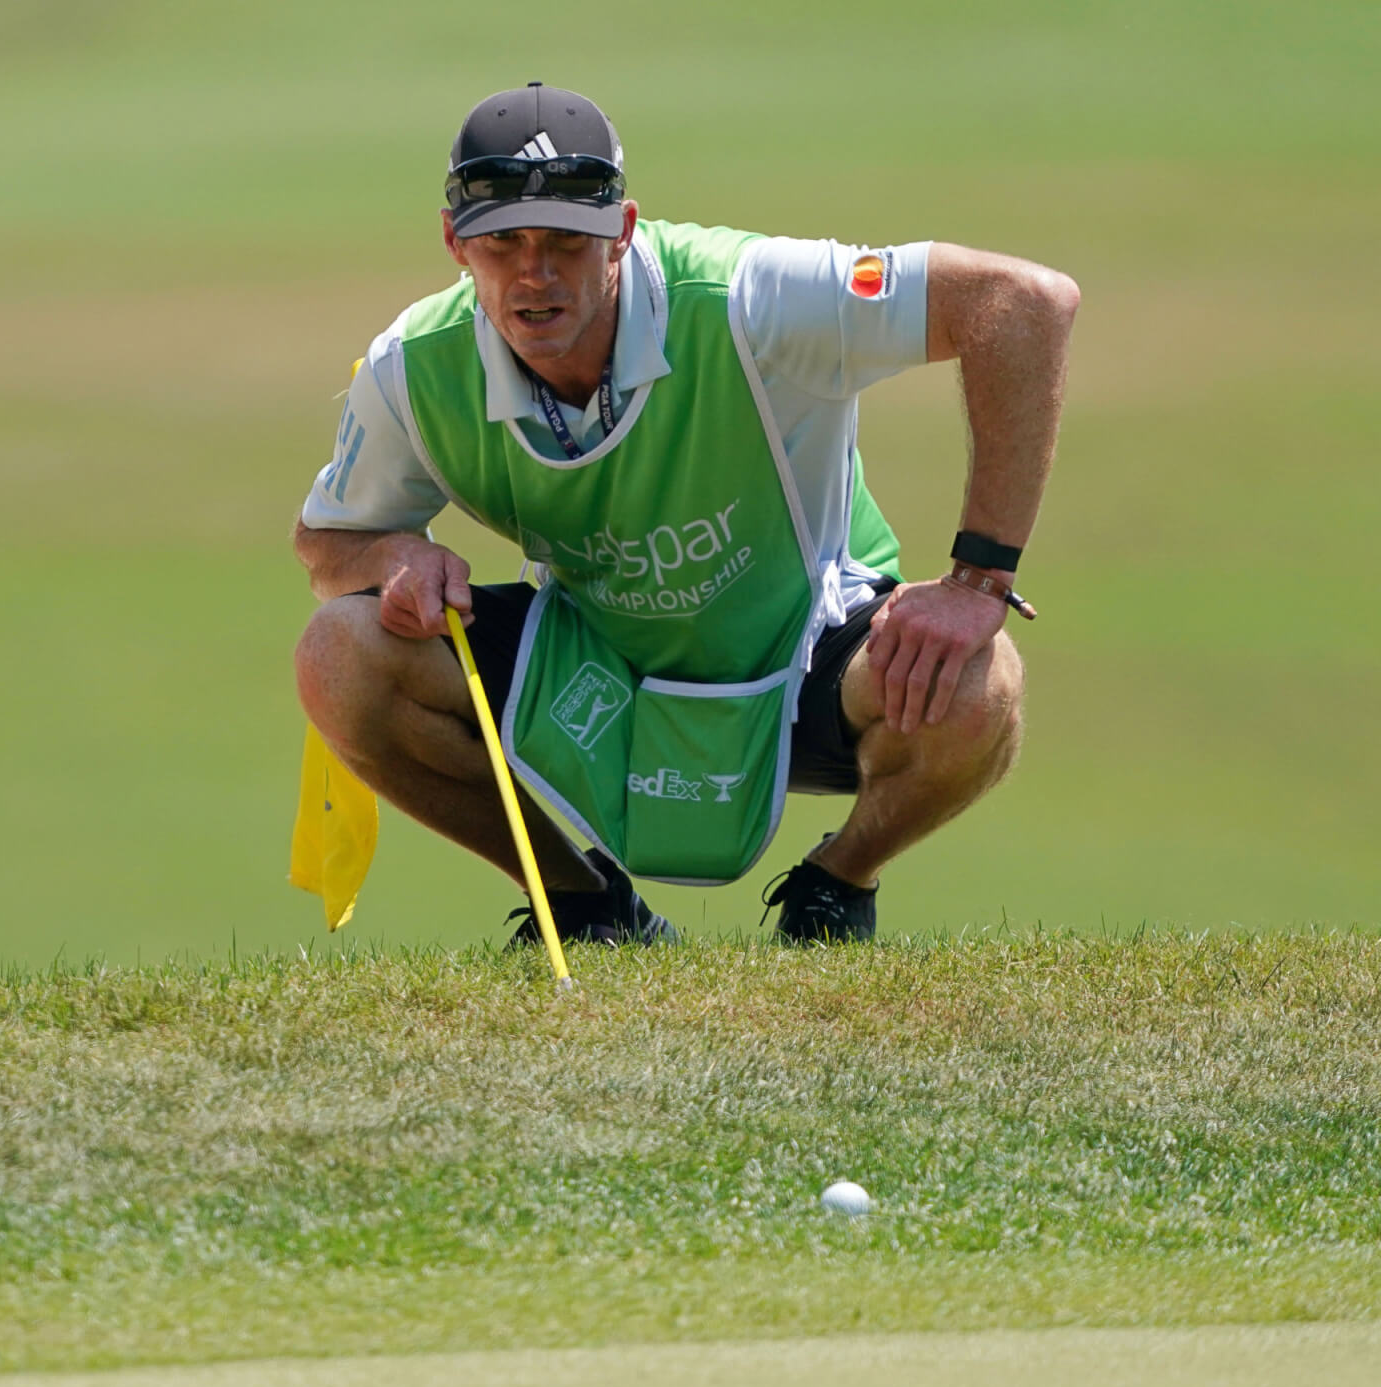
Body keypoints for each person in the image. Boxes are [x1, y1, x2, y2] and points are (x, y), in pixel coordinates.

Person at [291, 83, 1078, 945]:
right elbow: (331, 541)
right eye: (502, 243)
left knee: (979, 679)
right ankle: (585, 907)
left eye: (566, 241)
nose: (535, 274)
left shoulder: (750, 297)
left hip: (808, 660)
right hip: (594, 669)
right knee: (340, 654)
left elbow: (1023, 302)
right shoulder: (413, 366)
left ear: (622, 232)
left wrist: (977, 580)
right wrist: (393, 557)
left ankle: (834, 888)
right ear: (455, 243)